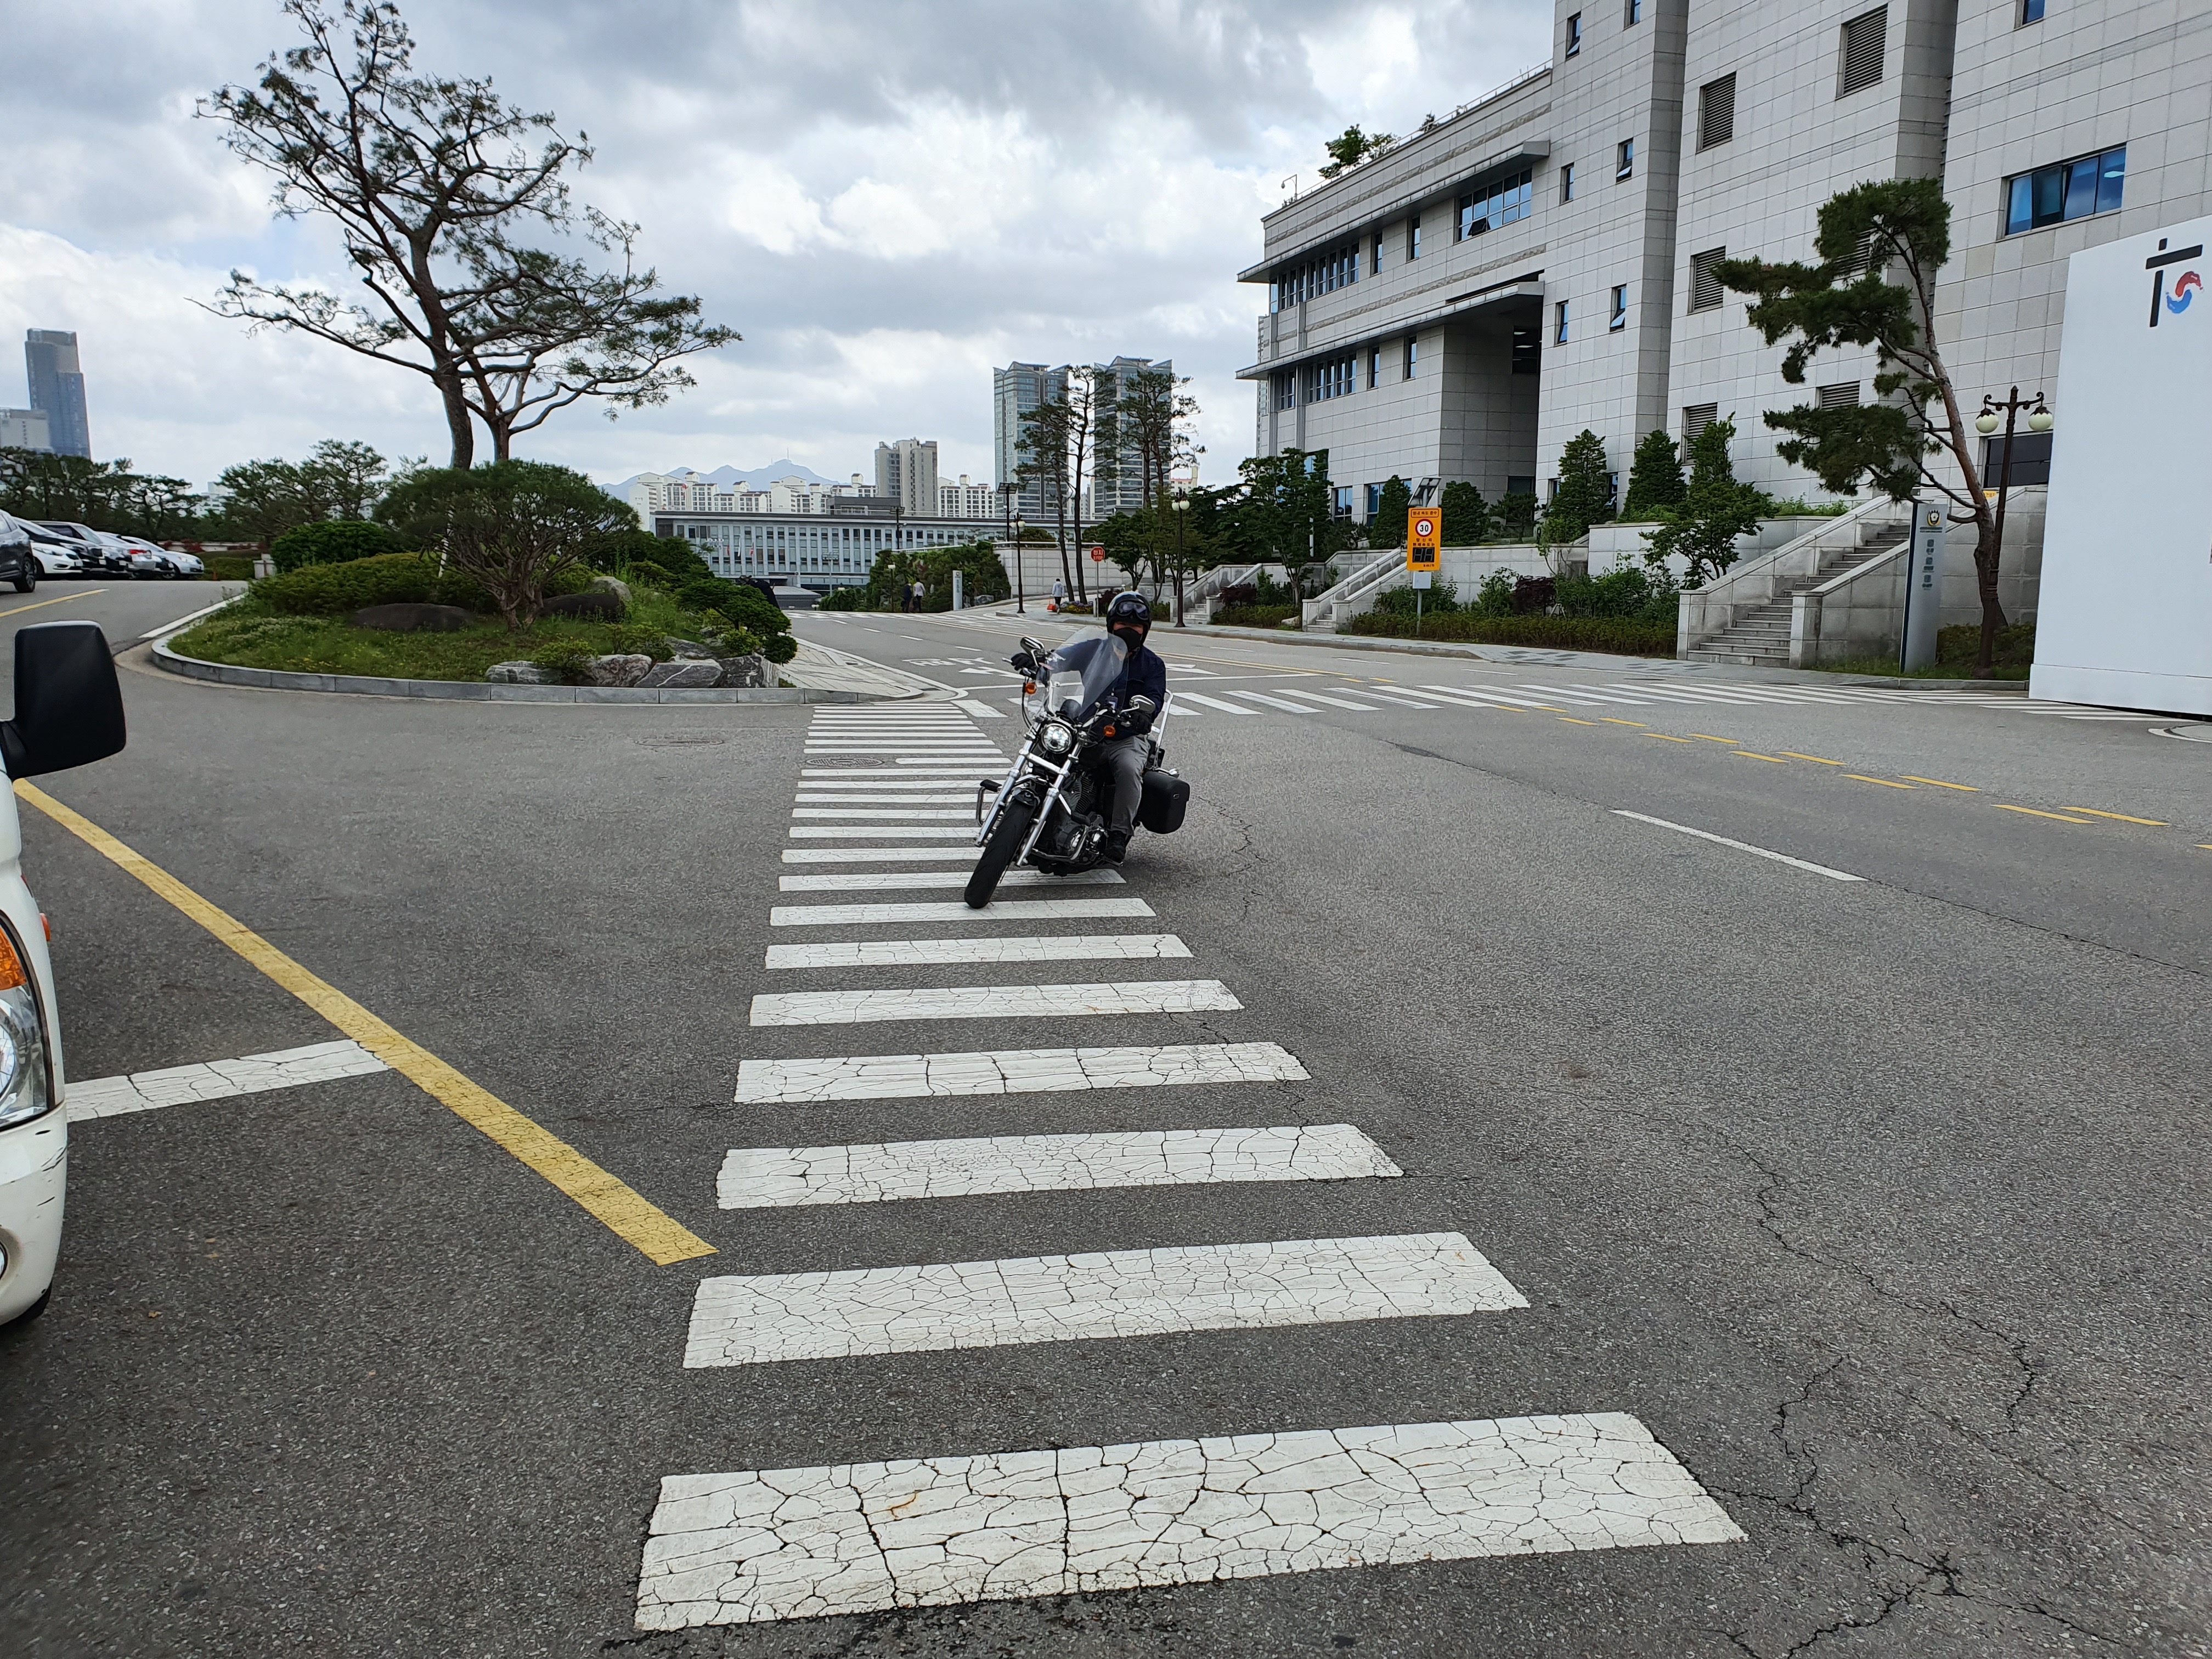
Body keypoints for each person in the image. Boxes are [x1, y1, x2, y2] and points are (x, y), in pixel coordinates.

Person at [1011, 591, 1166, 865]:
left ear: (1145, 630)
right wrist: (1039, 665)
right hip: (1086, 726)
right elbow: (1060, 660)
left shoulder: (1153, 664)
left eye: (1136, 627)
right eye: (1123, 624)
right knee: (1045, 745)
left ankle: (1119, 834)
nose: (1129, 631)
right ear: (1111, 625)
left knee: (1129, 768)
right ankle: (1025, 801)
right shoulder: (1094, 649)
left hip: (1125, 734)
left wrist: (1145, 714)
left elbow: (1154, 698)